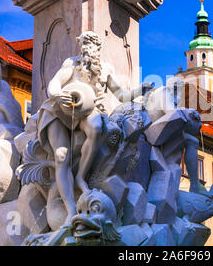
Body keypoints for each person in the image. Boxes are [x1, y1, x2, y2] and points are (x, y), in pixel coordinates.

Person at [37, 31, 153, 225]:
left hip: (88, 111)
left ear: (99, 49)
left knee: (97, 127)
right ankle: (70, 209)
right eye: (85, 45)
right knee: (61, 155)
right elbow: (54, 83)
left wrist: (140, 90)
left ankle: (80, 177)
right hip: (60, 110)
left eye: (92, 46)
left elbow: (122, 95)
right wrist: (57, 94)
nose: (88, 50)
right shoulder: (71, 64)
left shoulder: (105, 70)